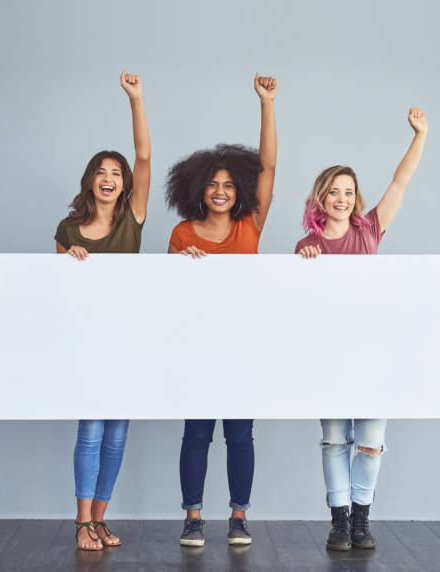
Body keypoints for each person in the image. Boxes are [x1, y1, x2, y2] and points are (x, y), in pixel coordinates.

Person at [295, 108, 428, 551]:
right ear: (321, 197)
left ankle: (361, 521)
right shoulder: (306, 246)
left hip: (373, 353)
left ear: (356, 198)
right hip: (327, 355)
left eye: (349, 192)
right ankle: (338, 521)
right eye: (334, 192)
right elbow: (298, 304)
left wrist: (420, 135)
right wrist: (305, 266)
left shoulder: (369, 230)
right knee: (335, 439)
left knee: (370, 443)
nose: (342, 199)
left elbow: (400, 182)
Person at [166, 73, 278, 546]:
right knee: (196, 435)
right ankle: (193, 518)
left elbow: (269, 169)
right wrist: (182, 266)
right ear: (198, 189)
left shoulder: (250, 226)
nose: (220, 191)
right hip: (197, 347)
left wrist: (267, 105)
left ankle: (237, 518)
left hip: (242, 348)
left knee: (240, 437)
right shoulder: (183, 235)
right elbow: (167, 297)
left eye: (229, 185)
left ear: (240, 192)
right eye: (213, 184)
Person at [54, 71, 151, 551]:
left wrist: (136, 99)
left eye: (117, 174)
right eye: (102, 172)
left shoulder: (133, 221)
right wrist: (68, 265)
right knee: (90, 431)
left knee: (116, 436)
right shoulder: (68, 229)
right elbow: (55, 295)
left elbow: (145, 155)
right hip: (87, 342)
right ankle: (80, 522)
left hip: (127, 342)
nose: (110, 179)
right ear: (90, 180)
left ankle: (100, 519)